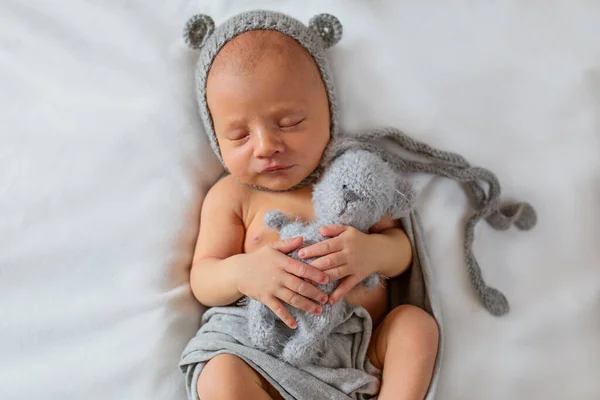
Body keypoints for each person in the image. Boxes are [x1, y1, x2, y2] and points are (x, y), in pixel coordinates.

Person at [184, 11, 439, 400]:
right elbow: (203, 279)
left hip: (356, 348)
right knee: (219, 375)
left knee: (416, 327)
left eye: (288, 122)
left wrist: (371, 251)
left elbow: (403, 254)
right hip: (263, 352)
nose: (267, 145)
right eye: (238, 135)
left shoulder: (352, 180)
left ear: (329, 112)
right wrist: (243, 272)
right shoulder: (234, 195)